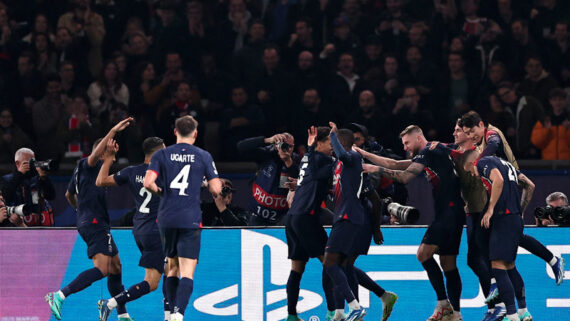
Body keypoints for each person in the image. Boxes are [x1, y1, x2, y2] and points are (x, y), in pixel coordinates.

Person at [358, 125, 464, 321]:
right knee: (448, 264)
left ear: (418, 137)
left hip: (448, 214)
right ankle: (455, 314)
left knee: (423, 254)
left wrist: (376, 169)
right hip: (453, 213)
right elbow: (396, 164)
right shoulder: (435, 151)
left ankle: (443, 304)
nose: (406, 147)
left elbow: (405, 177)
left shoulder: (430, 150)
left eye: (407, 143)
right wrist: (365, 154)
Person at [460, 111, 565, 287]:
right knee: (509, 242)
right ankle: (551, 262)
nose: (471, 136)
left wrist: (478, 162)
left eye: (472, 131)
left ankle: (496, 285)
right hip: (507, 182)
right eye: (467, 133)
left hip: (506, 186)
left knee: (483, 236)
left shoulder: (492, 134)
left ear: (481, 124)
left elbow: (493, 145)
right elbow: (529, 185)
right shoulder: (482, 146)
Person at [45, 117, 134, 321]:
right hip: (94, 223)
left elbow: (68, 196)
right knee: (103, 269)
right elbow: (95, 155)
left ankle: (122, 314)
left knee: (116, 266)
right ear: (100, 151)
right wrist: (112, 131)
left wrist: (81, 212)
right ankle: (59, 295)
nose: (113, 152)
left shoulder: (81, 172)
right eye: (109, 149)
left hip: (91, 222)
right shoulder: (88, 164)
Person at [143, 115, 222, 321]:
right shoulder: (204, 156)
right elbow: (216, 189)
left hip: (166, 218)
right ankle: (179, 314)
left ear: (175, 132)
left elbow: (148, 182)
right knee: (187, 270)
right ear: (196, 133)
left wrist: (161, 192)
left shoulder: (161, 155)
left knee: (171, 267)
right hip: (190, 218)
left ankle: (169, 315)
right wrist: (205, 184)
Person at [95, 137, 168, 321]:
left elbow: (101, 180)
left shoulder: (132, 171)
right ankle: (110, 303)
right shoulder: (164, 173)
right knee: (151, 283)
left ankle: (169, 316)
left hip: (140, 230)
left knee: (170, 269)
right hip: (156, 231)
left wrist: (109, 158)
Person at [462, 150, 530, 321]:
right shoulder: (508, 165)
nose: (474, 175)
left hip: (504, 217)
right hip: (513, 216)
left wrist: (491, 208)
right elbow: (531, 185)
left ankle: (511, 314)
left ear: (472, 164)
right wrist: (520, 210)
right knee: (510, 266)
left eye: (470, 171)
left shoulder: (483, 163)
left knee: (498, 266)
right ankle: (523, 311)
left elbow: (498, 180)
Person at [322, 123, 367, 321]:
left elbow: (342, 154)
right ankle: (340, 313)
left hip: (348, 216)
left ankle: (355, 307)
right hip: (342, 216)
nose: (332, 146)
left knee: (329, 262)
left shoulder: (354, 157)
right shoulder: (338, 165)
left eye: (335, 142)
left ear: (342, 142)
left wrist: (332, 135)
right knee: (338, 265)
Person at [236, 133, 299, 226]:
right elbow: (241, 147)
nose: (287, 149)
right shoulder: (267, 154)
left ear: (293, 147)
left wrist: (287, 161)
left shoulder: (296, 160)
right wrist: (267, 140)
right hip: (256, 215)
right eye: (284, 145)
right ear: (276, 144)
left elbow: (299, 177)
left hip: (281, 218)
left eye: (290, 146)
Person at [1, 147, 56, 227]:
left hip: (37, 223)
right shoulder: (7, 179)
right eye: (29, 162)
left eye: (33, 161)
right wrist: (19, 174)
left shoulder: (37, 179)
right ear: (17, 163)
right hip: (15, 226)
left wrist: (44, 179)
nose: (32, 165)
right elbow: (6, 196)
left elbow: (51, 196)